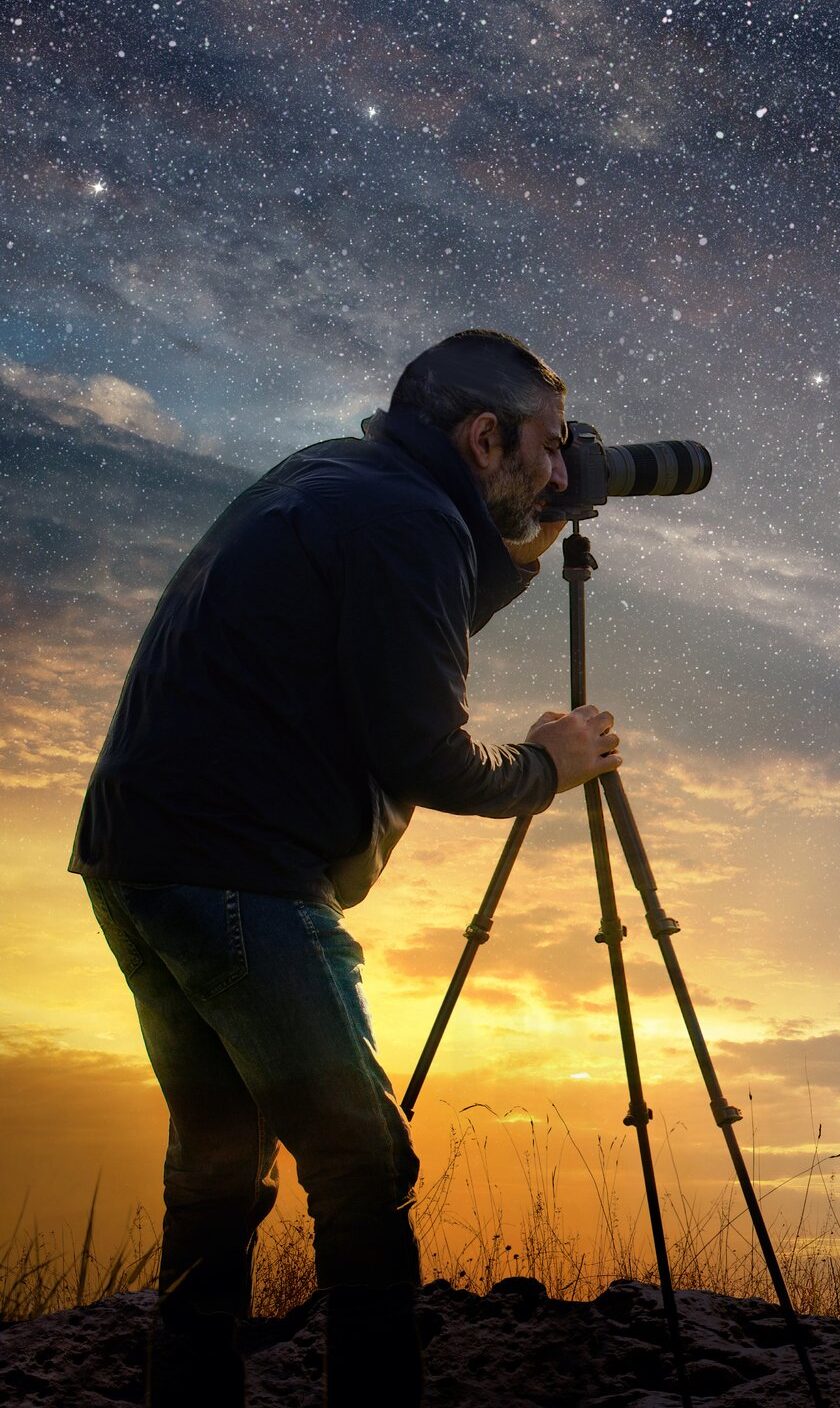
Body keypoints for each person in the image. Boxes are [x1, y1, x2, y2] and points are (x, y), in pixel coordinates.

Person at [68, 329, 623, 1408]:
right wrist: (546, 765)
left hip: (138, 859)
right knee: (365, 1165)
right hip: (240, 874)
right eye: (550, 449)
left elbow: (405, 618)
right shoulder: (406, 520)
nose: (564, 469)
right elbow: (423, 750)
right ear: (483, 436)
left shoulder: (349, 479)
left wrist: (528, 531)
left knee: (221, 1159)